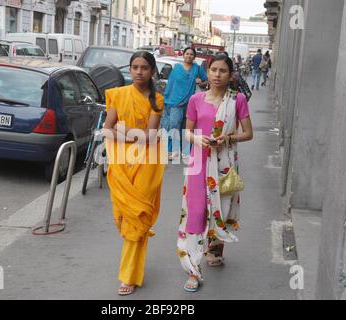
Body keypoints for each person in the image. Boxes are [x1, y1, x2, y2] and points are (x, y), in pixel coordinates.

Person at [177, 54, 253, 292]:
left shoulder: (237, 100)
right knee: (196, 212)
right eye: (213, 70)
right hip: (198, 163)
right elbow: (187, 132)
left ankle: (215, 248)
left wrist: (227, 138)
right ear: (207, 72)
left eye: (222, 71)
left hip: (224, 164)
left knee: (221, 209)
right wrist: (197, 138)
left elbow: (248, 133)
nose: (217, 75)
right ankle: (193, 267)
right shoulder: (196, 100)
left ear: (230, 75)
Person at [103, 51, 165, 296]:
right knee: (121, 218)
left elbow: (149, 139)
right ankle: (133, 266)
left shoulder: (156, 100)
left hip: (146, 167)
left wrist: (122, 131)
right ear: (129, 70)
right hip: (120, 164)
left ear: (152, 71)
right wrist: (130, 135)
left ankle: (129, 275)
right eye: (134, 67)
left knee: (136, 219)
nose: (139, 72)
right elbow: (106, 130)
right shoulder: (118, 96)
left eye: (144, 67)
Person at [160, 47, 208, 161]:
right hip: (172, 101)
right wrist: (165, 98)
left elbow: (207, 80)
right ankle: (171, 150)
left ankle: (180, 151)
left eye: (192, 54)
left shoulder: (197, 68)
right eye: (187, 54)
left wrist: (200, 82)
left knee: (181, 127)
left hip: (187, 102)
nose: (189, 56)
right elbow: (171, 84)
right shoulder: (177, 68)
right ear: (183, 55)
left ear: (194, 57)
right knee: (170, 125)